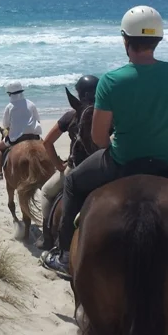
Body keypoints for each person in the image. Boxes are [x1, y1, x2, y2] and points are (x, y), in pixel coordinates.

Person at [41, 6, 168, 274]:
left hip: (122, 162)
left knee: (71, 182)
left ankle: (64, 254)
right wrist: (167, 140)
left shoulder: (111, 81)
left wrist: (121, 142)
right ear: (158, 40)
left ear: (125, 41)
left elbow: (99, 138)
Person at [36, 75, 100, 250]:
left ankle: (47, 236)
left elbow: (47, 142)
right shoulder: (108, 114)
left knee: (47, 192)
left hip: (75, 168)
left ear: (79, 95)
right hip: (104, 167)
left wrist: (58, 165)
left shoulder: (70, 116)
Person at [0, 81, 42, 180]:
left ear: (10, 94)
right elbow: (38, 120)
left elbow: (5, 125)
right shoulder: (31, 104)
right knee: (47, 145)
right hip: (35, 136)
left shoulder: (9, 107)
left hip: (17, 138)